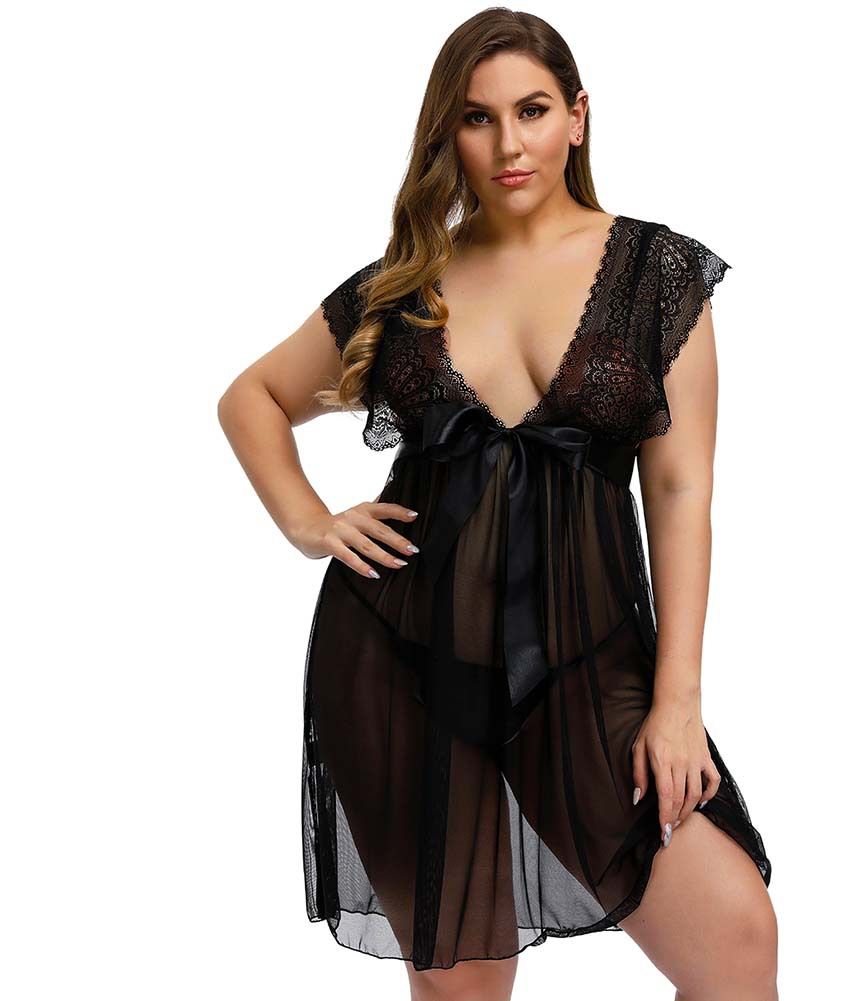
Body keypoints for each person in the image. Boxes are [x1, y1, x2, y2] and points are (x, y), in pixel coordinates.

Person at [218, 9, 778, 1000]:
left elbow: (679, 487)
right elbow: (252, 397)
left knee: (734, 941)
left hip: (585, 664)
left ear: (577, 116)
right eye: (477, 119)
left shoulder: (652, 274)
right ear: (449, 133)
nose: (508, 145)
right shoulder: (404, 286)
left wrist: (677, 699)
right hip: (397, 659)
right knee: (462, 982)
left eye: (531, 110)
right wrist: (310, 522)